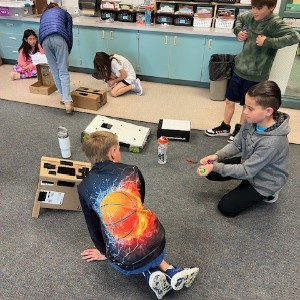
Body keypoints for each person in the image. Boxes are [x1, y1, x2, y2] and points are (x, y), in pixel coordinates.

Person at [78, 131, 199, 299]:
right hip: (155, 239)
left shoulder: (83, 187)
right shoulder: (131, 171)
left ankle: (151, 274)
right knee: (139, 221)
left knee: (115, 232)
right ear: (113, 152)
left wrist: (103, 251)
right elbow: (139, 200)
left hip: (124, 259)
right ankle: (170, 270)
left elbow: (92, 225)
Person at [205, 0, 300, 143]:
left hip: (256, 75)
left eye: (259, 8)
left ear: (272, 7)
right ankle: (225, 126)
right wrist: (239, 32)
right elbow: (239, 19)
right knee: (229, 100)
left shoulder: (275, 23)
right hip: (240, 68)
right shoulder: (250, 17)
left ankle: (240, 131)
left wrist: (268, 42)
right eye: (253, 7)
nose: (255, 11)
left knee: (247, 106)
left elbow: (294, 37)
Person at [199, 81, 289, 217]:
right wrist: (217, 156)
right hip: (249, 164)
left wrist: (217, 167)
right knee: (211, 170)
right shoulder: (252, 120)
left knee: (226, 208)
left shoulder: (272, 143)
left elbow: (246, 171)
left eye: (250, 108)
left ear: (268, 111)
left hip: (264, 181)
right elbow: (237, 144)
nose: (245, 112)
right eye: (245, 106)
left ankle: (271, 193)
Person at [39, 2, 74, 114]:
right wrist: (68, 49)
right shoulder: (64, 13)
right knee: (63, 71)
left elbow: (41, 30)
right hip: (59, 37)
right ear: (57, 7)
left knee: (54, 70)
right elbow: (69, 32)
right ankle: (68, 102)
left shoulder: (43, 15)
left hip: (44, 40)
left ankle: (63, 97)